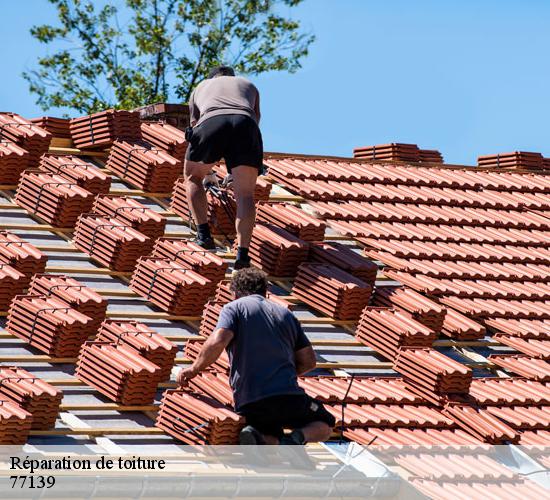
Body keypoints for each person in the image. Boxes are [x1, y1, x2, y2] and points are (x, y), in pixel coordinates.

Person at [177, 268, 335, 445]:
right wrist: (281, 374)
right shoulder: (286, 314)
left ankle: (260, 437)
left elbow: (218, 341)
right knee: (326, 423)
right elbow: (309, 361)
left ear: (236, 293)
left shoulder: (234, 308)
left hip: (251, 401)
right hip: (288, 397)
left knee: (266, 430)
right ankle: (294, 439)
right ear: (264, 291)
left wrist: (194, 368)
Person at [184, 65, 263, 270]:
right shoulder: (248, 84)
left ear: (213, 78)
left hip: (212, 122)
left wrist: (208, 171)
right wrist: (233, 170)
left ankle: (203, 235)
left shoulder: (201, 87)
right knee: (245, 194)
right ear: (231, 77)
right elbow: (256, 119)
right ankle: (243, 255)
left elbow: (195, 125)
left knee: (192, 177)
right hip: (246, 125)